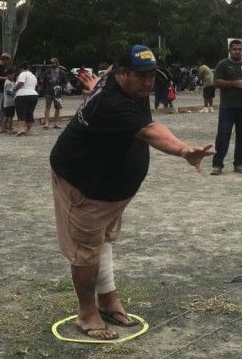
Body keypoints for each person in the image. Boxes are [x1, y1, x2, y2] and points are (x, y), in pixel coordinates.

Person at [49, 44, 213, 340]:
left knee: (104, 240)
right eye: (141, 76)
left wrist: (94, 84)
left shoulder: (126, 88)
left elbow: (129, 107)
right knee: (87, 250)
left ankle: (108, 300)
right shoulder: (111, 102)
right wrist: (184, 150)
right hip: (84, 185)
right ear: (121, 73)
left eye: (152, 75)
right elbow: (151, 131)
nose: (148, 83)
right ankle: (87, 312)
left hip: (111, 189)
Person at [211, 39, 242, 175]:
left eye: (240, 49)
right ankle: (217, 164)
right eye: (235, 49)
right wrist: (235, 83)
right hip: (227, 107)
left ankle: (239, 163)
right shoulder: (223, 64)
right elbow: (216, 82)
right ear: (230, 50)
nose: (237, 51)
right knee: (223, 136)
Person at [40, 57, 67, 129]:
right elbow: (44, 83)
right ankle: (46, 123)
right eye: (51, 63)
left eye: (54, 63)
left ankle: (56, 123)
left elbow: (65, 82)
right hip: (48, 92)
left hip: (58, 93)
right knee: (47, 107)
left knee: (58, 108)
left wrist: (61, 87)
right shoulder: (47, 71)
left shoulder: (62, 72)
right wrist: (43, 92)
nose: (52, 64)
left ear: (57, 63)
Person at [14, 63, 39, 136]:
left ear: (21, 68)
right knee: (30, 113)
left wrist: (14, 89)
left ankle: (21, 129)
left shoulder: (23, 74)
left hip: (22, 95)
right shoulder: (33, 76)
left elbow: (21, 83)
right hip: (34, 95)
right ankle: (28, 130)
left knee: (21, 112)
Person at [1, 69, 17, 133]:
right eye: (12, 75)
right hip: (10, 102)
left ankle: (3, 128)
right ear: (8, 75)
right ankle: (10, 128)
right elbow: (9, 92)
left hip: (7, 102)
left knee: (6, 116)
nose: (13, 76)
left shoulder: (10, 82)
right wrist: (15, 94)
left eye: (14, 75)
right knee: (10, 116)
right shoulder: (8, 83)